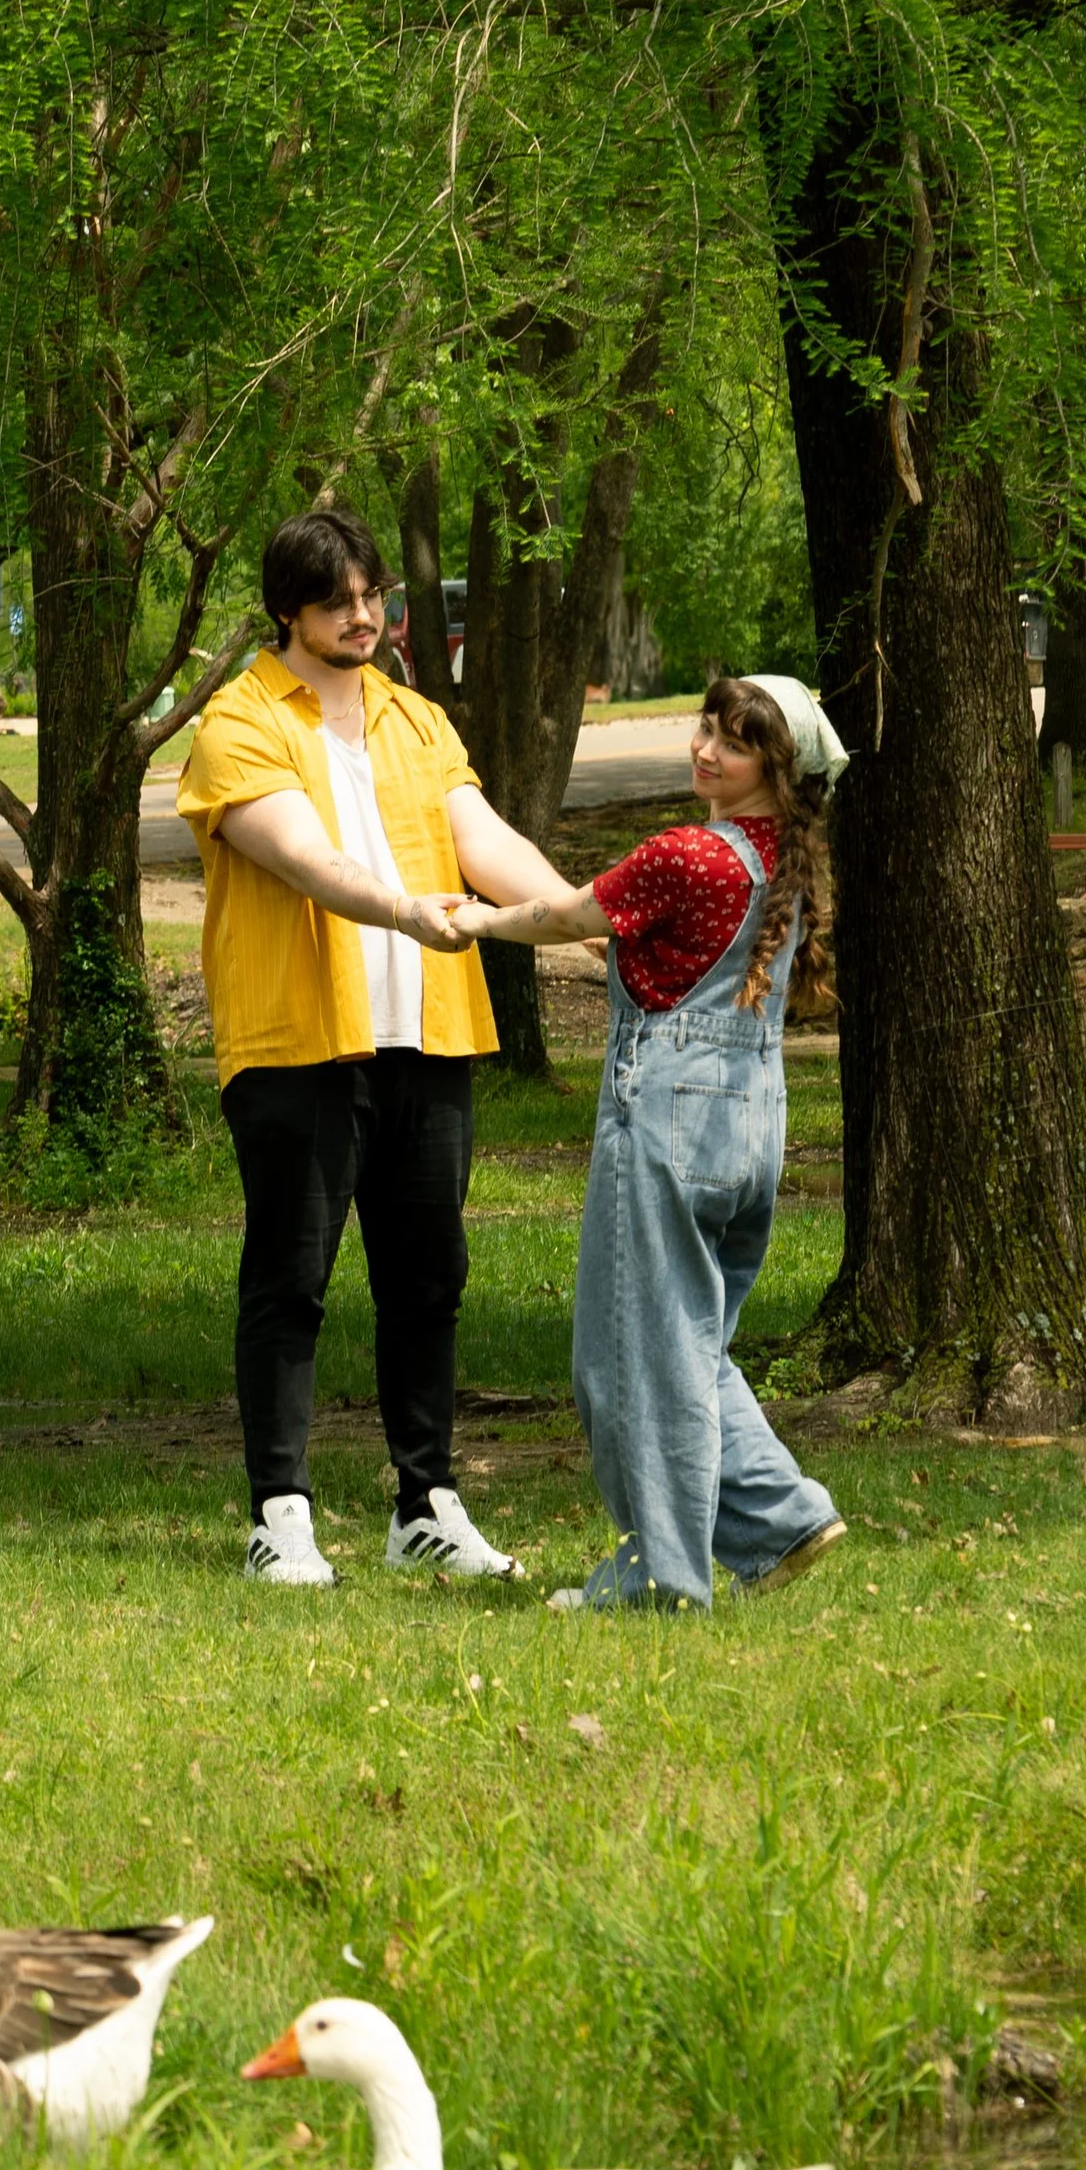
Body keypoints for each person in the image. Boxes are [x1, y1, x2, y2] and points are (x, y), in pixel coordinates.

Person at [176, 507, 571, 1588]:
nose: (364, 618)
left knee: (428, 1274)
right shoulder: (240, 721)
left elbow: (481, 840)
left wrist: (588, 917)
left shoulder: (414, 718)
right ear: (288, 612)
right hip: (300, 1042)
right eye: (337, 602)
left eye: (373, 597)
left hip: (428, 1034)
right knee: (292, 1279)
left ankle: (425, 1501)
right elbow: (298, 857)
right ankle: (279, 1515)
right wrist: (403, 911)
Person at [460, 673, 850, 1612]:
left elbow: (564, 915)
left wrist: (475, 920)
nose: (707, 749)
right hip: (751, 1122)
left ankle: (662, 1580)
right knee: (687, 1345)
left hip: (670, 1119)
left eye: (737, 741)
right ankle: (783, 1518)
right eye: (706, 728)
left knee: (629, 1357)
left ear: (778, 766)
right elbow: (661, 948)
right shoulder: (784, 866)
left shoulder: (689, 856)